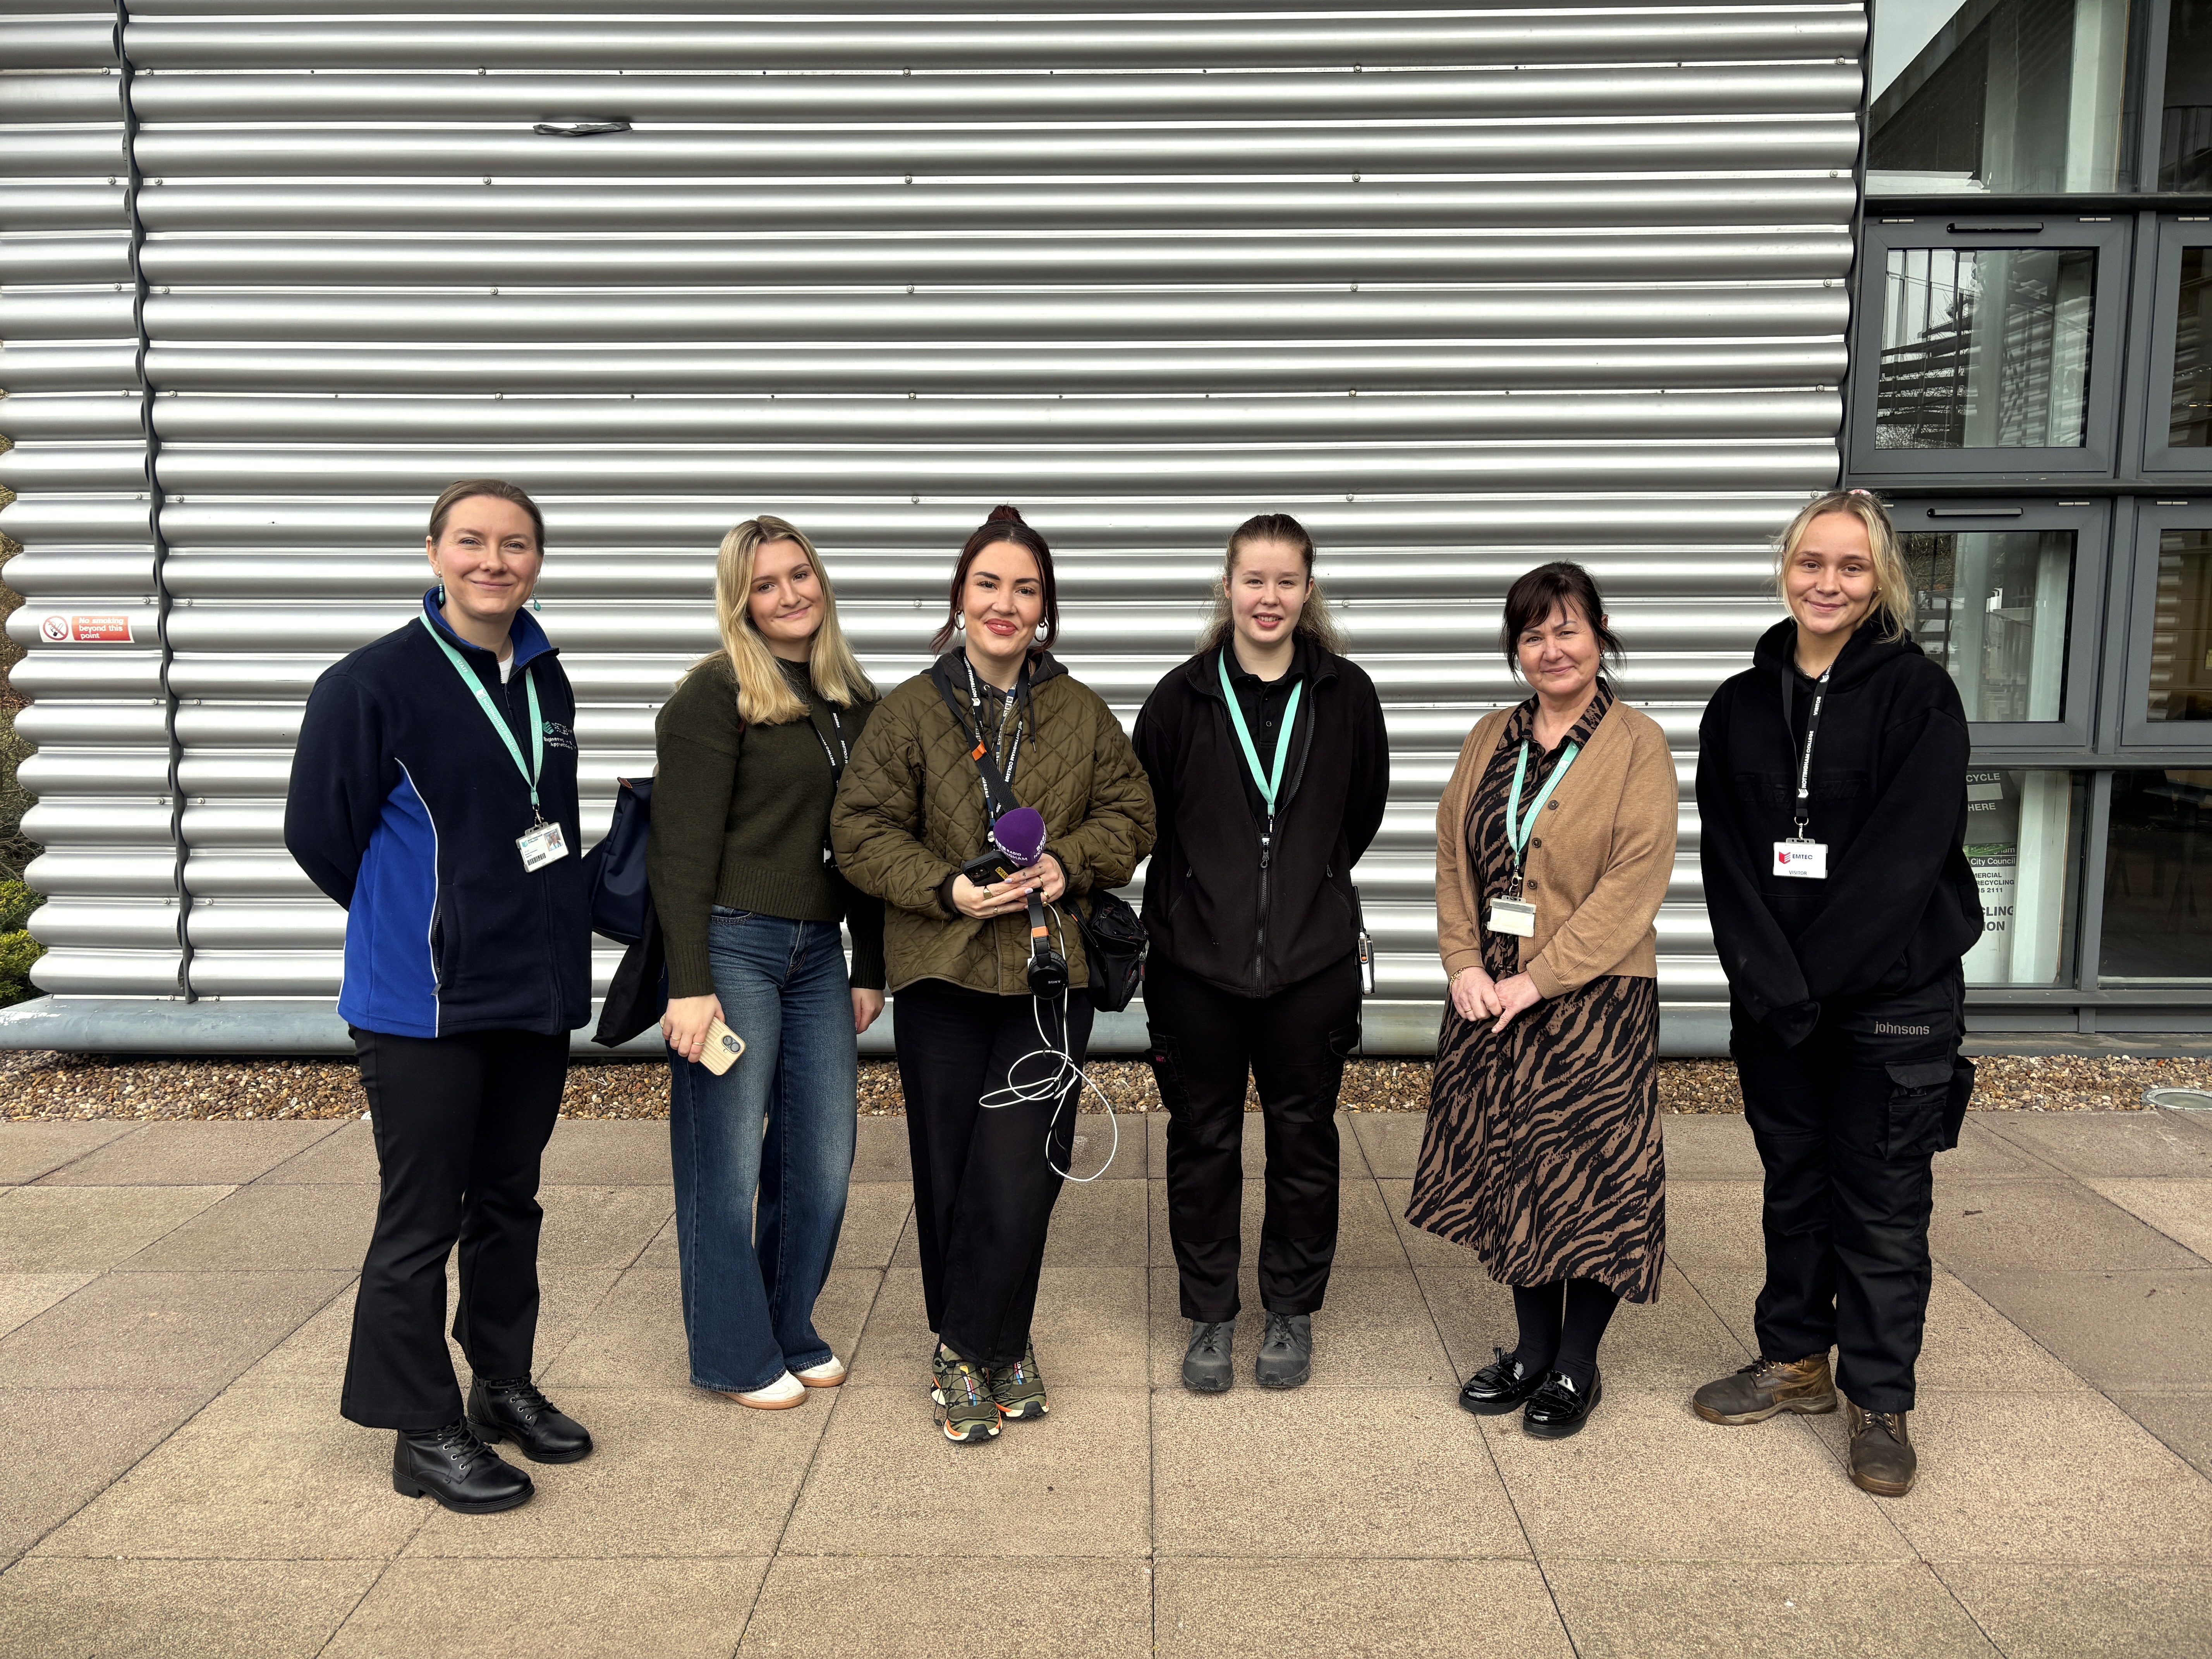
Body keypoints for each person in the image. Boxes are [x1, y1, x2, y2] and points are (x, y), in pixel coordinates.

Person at [286, 479, 593, 1514]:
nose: (493, 561)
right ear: (434, 551)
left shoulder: (545, 679)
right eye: (472, 541)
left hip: (532, 990)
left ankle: (499, 1381)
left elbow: (547, 827)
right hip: (422, 1001)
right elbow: (321, 838)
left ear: (536, 562)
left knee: (510, 1200)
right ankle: (422, 1430)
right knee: (422, 1216)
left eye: (515, 544)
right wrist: (430, 916)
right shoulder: (370, 684)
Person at [831, 505, 1155, 1445]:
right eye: (989, 585)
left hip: (1052, 979)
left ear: (1045, 607)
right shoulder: (912, 712)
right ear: (960, 598)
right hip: (942, 974)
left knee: (1022, 1169)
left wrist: (1075, 862)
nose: (1006, 605)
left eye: (1025, 588)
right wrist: (942, 889)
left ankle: (968, 1343)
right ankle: (995, 1346)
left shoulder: (1081, 711)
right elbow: (859, 831)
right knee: (951, 1170)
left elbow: (1134, 815)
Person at [1690, 488, 1980, 1498]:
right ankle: (1798, 1362)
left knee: (1886, 1206)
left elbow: (1905, 864)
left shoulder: (1920, 700)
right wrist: (1777, 983)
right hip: (1778, 1007)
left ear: (1881, 578)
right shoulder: (1737, 704)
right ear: (1787, 567)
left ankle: (1883, 1400)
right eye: (1813, 562)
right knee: (1795, 1189)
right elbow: (1727, 860)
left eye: (1852, 567)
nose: (1829, 582)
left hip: (1892, 1003)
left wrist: (1814, 981)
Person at [1407, 561, 1676, 1439]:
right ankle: (1529, 1351)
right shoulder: (1491, 736)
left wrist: (1541, 976)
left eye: (1567, 629)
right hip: (1491, 995)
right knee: (1514, 1171)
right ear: (1515, 649)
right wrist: (1462, 963)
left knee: (1591, 1182)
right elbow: (1455, 857)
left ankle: (1577, 1365)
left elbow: (1635, 882)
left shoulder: (1638, 744)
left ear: (1600, 636)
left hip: (1594, 1001)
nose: (1551, 648)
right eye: (1533, 633)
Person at [1133, 514, 1389, 1392]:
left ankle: (1290, 1308)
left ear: (1307, 592)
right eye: (1254, 580)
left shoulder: (1347, 695)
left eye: (1286, 582)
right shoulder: (1181, 698)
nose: (1269, 598)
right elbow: (1151, 818)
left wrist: (1303, 891)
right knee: (1201, 1141)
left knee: (1302, 1142)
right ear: (1228, 588)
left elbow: (1358, 817)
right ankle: (1210, 1313)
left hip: (1309, 969)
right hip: (1194, 968)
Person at [647, 516, 886, 1410]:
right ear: (738, 602)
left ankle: (791, 1325)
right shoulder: (713, 698)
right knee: (726, 1161)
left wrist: (872, 964)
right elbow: (680, 851)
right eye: (764, 584)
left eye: (800, 575)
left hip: (819, 952)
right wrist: (690, 983)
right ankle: (734, 1353)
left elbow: (867, 842)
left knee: (822, 1158)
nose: (789, 595)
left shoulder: (852, 699)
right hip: (732, 944)